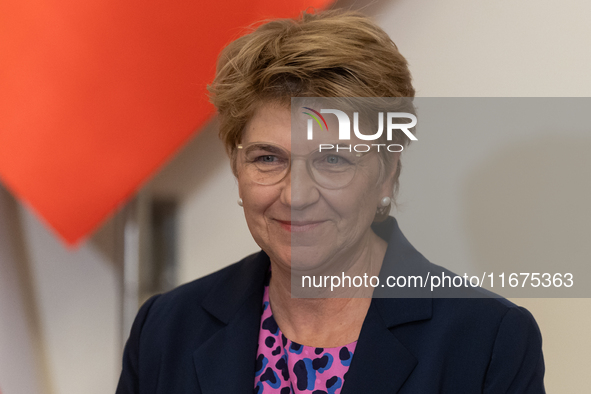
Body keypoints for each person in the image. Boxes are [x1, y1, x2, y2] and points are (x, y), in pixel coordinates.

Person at [116, 10, 545, 394]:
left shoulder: (488, 341)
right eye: (268, 158)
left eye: (333, 160)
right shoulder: (167, 327)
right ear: (236, 165)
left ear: (386, 173)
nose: (295, 195)